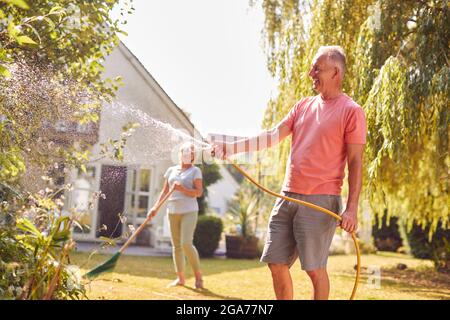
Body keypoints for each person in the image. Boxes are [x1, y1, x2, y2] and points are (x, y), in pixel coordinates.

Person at [212, 46, 367, 300]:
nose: (311, 73)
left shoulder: (351, 111)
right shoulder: (303, 106)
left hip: (320, 200)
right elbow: (272, 136)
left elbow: (356, 161)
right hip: (286, 197)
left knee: (315, 270)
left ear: (335, 72)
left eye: (317, 68)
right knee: (276, 263)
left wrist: (351, 208)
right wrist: (231, 148)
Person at [148, 142, 204, 289]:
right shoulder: (171, 170)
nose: (188, 155)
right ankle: (180, 279)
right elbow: (164, 191)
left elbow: (198, 192)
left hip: (189, 211)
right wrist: (155, 208)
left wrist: (183, 189)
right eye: (185, 152)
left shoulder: (195, 171)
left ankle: (199, 278)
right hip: (172, 211)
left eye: (191, 153)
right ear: (180, 154)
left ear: (193, 156)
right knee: (176, 246)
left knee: (186, 243)